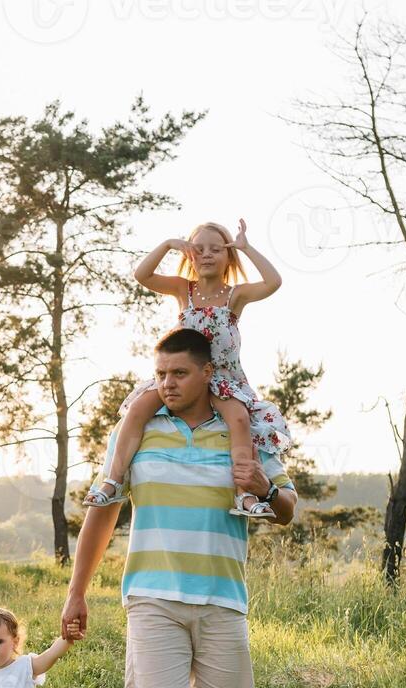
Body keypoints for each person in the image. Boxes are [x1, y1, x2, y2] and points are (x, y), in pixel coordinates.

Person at [62, 327, 298, 688]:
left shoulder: (246, 433)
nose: (167, 383)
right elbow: (103, 512)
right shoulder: (140, 428)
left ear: (207, 374)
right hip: (152, 593)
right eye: (161, 373)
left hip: (221, 595)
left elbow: (287, 508)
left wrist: (264, 486)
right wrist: (77, 592)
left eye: (180, 373)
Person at [88, 218, 292, 520]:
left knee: (238, 419)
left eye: (216, 249)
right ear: (189, 255)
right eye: (198, 249)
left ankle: (244, 494)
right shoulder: (183, 289)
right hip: (182, 374)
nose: (207, 254)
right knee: (138, 409)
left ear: (228, 257)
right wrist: (170, 244)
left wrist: (247, 248)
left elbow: (273, 282)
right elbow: (141, 274)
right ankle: (114, 480)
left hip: (222, 380)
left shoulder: (235, 295)